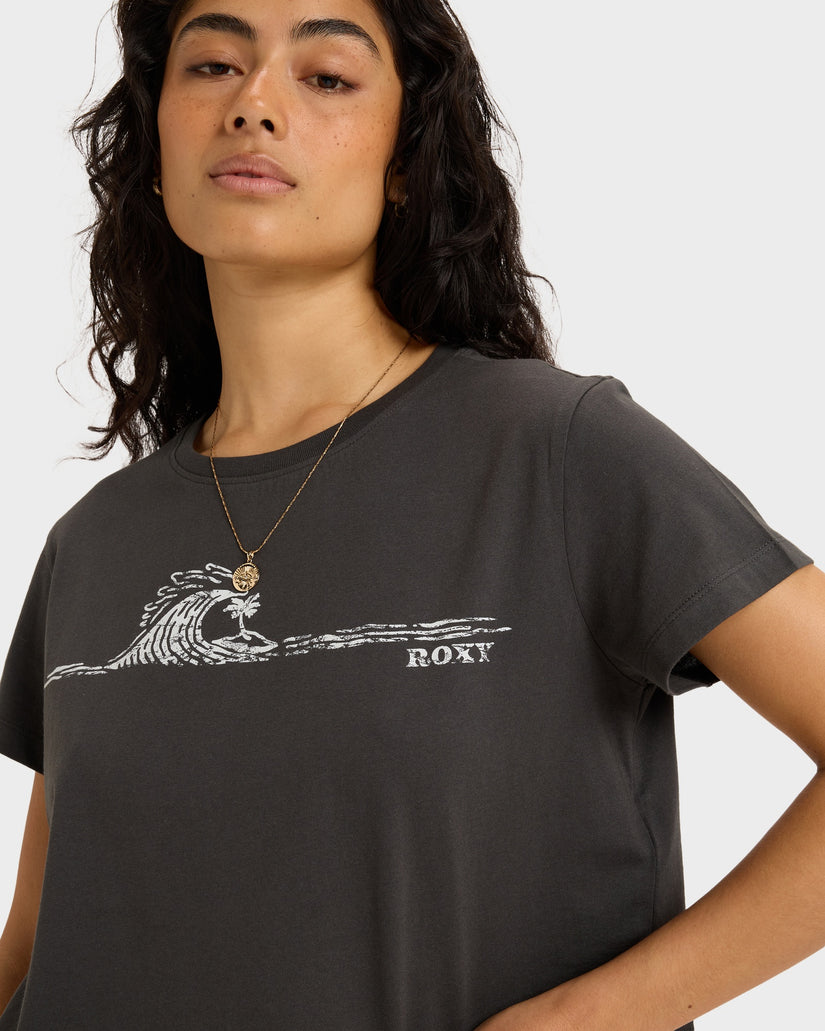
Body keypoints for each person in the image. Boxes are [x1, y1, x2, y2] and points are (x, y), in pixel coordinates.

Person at [0, 0, 823, 1028]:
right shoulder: (94, 540)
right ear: (157, 146)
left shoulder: (559, 453)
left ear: (405, 161)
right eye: (211, 65)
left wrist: (592, 1016)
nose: (254, 104)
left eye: (326, 77)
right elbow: (36, 942)